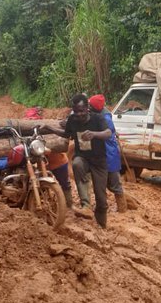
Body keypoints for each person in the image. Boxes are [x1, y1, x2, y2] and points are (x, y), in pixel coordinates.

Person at [43, 93, 111, 228]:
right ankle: (85, 204)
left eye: (81, 110)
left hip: (99, 161)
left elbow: (108, 133)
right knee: (77, 163)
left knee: (101, 199)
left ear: (87, 108)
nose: (79, 114)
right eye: (76, 111)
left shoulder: (98, 119)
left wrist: (94, 134)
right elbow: (66, 134)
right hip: (83, 157)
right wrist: (49, 128)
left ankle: (101, 225)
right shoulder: (73, 120)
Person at [24, 107, 73, 208]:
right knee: (42, 184)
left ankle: (69, 205)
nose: (31, 122)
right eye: (29, 120)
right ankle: (45, 201)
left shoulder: (47, 129)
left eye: (33, 119)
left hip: (58, 162)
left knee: (65, 184)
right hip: (43, 165)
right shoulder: (27, 133)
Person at [88, 94, 127, 213]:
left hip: (107, 155)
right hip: (107, 155)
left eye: (90, 105)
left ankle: (121, 208)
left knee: (110, 184)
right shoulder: (102, 114)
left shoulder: (104, 118)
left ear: (95, 107)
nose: (89, 107)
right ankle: (107, 208)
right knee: (105, 184)